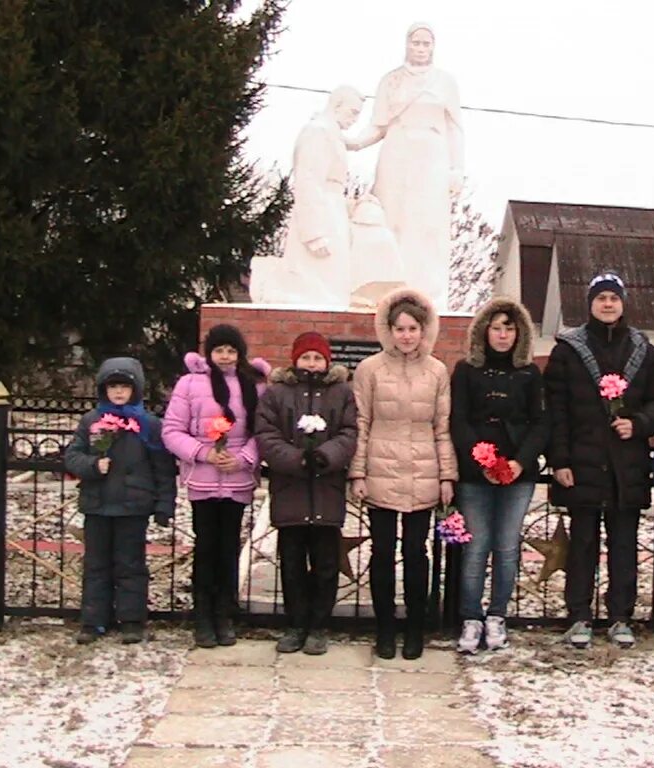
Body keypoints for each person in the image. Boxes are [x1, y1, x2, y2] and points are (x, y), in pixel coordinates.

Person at [544, 272, 654, 649]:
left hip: (625, 465)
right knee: (582, 544)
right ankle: (579, 615)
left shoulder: (643, 350)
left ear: (623, 302)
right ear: (590, 304)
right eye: (601, 298)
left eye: (613, 298)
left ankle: (620, 616)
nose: (608, 304)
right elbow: (556, 408)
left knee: (623, 545)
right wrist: (560, 459)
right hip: (582, 464)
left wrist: (639, 424)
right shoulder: (568, 350)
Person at [349, 287, 458, 660]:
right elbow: (362, 422)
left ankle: (415, 627)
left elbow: (442, 427)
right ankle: (384, 628)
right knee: (382, 553)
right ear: (389, 330)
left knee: (416, 553)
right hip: (381, 468)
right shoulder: (370, 370)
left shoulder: (437, 371)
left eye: (413, 328)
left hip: (423, 471)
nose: (407, 336)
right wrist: (358, 472)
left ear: (424, 330)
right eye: (400, 328)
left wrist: (446, 476)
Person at [162, 324, 270, 648]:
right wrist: (204, 453)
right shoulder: (190, 384)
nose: (225, 356)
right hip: (203, 479)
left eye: (231, 351)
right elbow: (172, 430)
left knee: (228, 549)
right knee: (206, 547)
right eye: (219, 350)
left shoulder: (255, 385)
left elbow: (262, 431)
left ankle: (225, 614)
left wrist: (245, 459)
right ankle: (203, 615)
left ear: (240, 354)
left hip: (236, 479)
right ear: (210, 352)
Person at [450, 298, 548, 654]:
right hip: (476, 474)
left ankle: (497, 614)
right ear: (484, 332)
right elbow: (458, 421)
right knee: (476, 546)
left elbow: (540, 423)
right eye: (497, 328)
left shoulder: (529, 373)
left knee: (507, 547)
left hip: (517, 474)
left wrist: (520, 462)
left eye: (509, 328)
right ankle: (471, 617)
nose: (503, 335)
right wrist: (481, 462)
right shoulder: (466, 370)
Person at [255, 331, 358, 655]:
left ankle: (319, 625)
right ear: (295, 359)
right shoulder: (277, 393)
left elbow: (349, 431)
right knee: (293, 563)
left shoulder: (341, 393)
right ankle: (296, 623)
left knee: (326, 563)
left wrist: (327, 454)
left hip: (326, 491)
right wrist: (296, 458)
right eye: (306, 357)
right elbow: (266, 433)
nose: (312, 364)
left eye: (317, 358)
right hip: (292, 489)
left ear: (327, 361)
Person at [347, 23, 464, 309]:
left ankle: (427, 297)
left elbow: (455, 128)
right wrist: (354, 143)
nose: (421, 49)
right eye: (416, 43)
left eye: (426, 44)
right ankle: (388, 290)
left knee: (427, 227)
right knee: (392, 221)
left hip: (432, 157)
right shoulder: (391, 81)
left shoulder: (445, 82)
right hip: (397, 154)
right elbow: (378, 125)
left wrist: (456, 169)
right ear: (407, 45)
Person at [64, 357, 176, 645]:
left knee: (130, 565)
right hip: (98, 505)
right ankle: (93, 620)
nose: (118, 392)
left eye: (124, 386)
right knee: (96, 565)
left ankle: (131, 620)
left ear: (135, 390)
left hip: (132, 507)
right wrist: (92, 465)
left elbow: (162, 468)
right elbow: (72, 455)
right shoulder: (91, 421)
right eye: (112, 386)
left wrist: (164, 504)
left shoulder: (148, 424)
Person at [250, 86, 365, 306]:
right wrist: (314, 233)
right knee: (320, 294)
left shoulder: (331, 133)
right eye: (353, 112)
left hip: (332, 212)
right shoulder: (318, 132)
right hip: (320, 218)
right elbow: (308, 182)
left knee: (333, 294)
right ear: (336, 105)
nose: (355, 119)